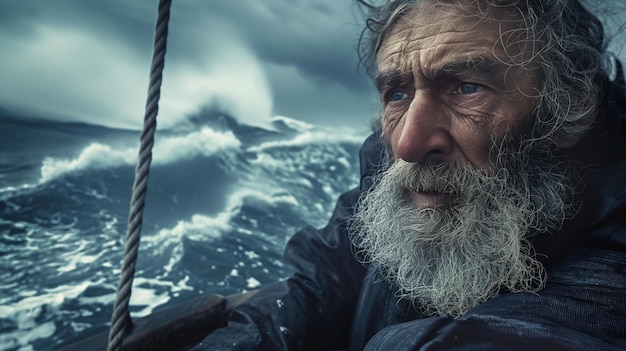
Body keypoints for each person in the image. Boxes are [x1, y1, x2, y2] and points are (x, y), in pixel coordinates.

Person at [192, 0, 626, 349]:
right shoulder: (395, 171)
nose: (407, 145)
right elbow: (319, 283)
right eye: (397, 93)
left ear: (569, 107)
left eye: (466, 87)